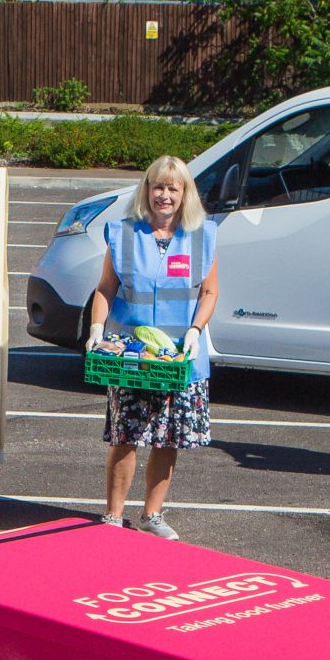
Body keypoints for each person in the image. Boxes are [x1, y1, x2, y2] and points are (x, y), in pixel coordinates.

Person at [85, 155, 218, 538]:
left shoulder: (202, 235)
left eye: (172, 188)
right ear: (146, 190)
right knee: (125, 435)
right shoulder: (124, 233)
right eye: (157, 186)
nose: (164, 195)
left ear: (184, 193)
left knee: (168, 438)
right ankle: (113, 515)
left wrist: (195, 330)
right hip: (131, 356)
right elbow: (106, 288)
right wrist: (97, 327)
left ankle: (152, 515)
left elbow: (209, 291)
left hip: (179, 358)